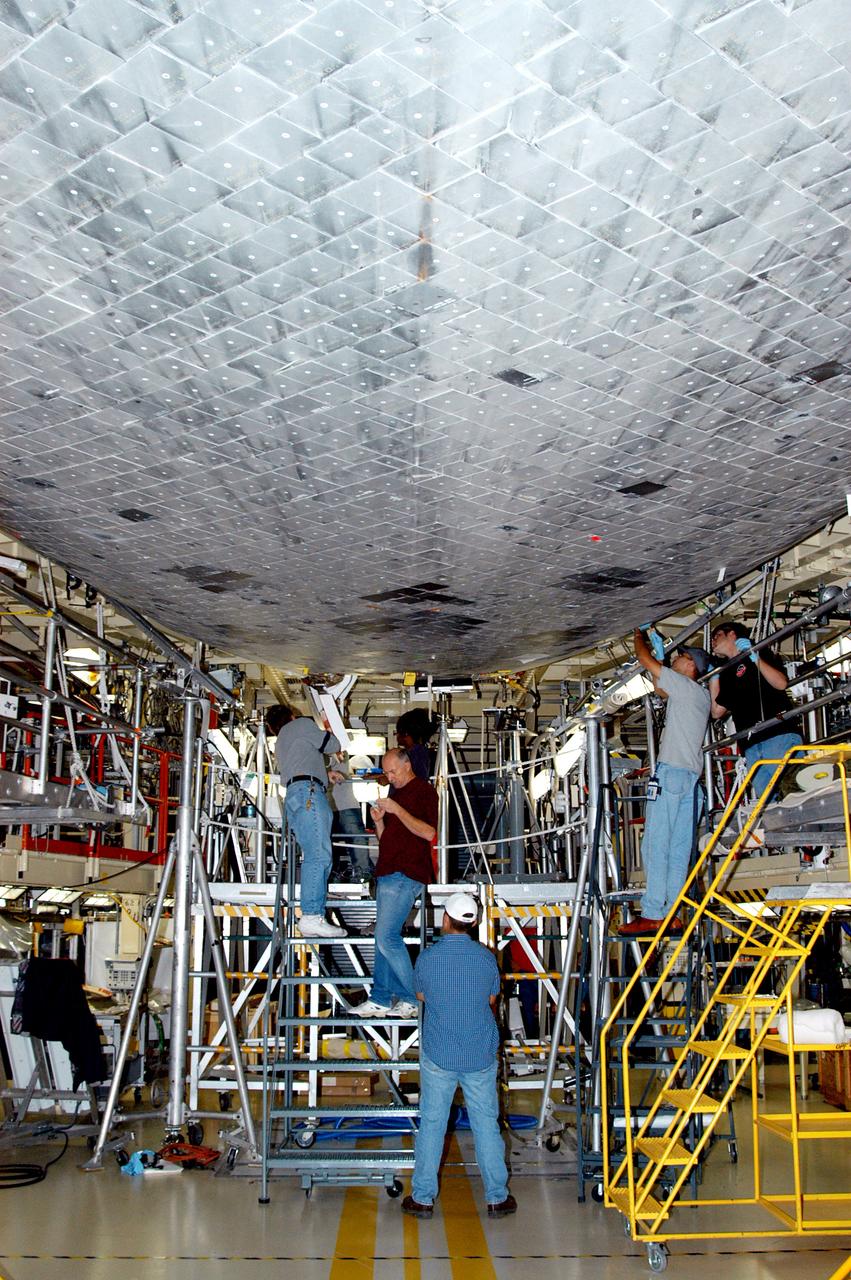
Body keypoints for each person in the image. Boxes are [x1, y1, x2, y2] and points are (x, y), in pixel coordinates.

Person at [401, 891, 516, 1221]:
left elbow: (420, 995)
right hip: (479, 1054)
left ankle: (422, 1198)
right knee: (486, 1126)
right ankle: (497, 1197)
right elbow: (493, 998)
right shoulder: (486, 959)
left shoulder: (428, 958)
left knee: (433, 1125)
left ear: (445, 920)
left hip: (439, 1054)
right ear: (475, 923)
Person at [619, 631, 712, 938]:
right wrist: (660, 661)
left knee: (656, 845)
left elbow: (644, 661)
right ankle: (671, 913)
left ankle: (653, 913)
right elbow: (661, 690)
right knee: (678, 849)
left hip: (671, 775)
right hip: (690, 781)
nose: (677, 658)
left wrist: (639, 638)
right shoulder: (697, 695)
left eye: (682, 657)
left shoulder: (685, 687)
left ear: (691, 667)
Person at [350, 748, 437, 1018]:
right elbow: (388, 839)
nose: (389, 777)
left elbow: (429, 832)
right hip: (389, 870)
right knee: (382, 939)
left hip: (406, 872)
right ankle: (381, 997)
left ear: (407, 765)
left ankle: (413, 996)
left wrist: (397, 810)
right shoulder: (395, 793)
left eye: (392, 771)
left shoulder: (424, 791)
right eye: (386, 772)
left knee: (385, 937)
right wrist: (379, 823)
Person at [265, 704, 347, 940]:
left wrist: (324, 774)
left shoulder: (281, 740)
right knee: (319, 856)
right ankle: (311, 915)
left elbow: (301, 764)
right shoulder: (300, 724)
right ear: (292, 716)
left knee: (314, 853)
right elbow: (332, 745)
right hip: (309, 793)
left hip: (295, 796)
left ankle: (314, 911)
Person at [710, 621, 802, 800]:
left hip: (778, 734)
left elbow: (781, 683)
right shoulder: (728, 673)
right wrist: (714, 677)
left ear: (732, 635)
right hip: (751, 744)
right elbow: (716, 712)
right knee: (768, 803)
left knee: (795, 794)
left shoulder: (761, 652)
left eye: (717, 636)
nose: (713, 641)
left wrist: (755, 657)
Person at [329, 753, 372, 882]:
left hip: (342, 804)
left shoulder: (337, 746)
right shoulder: (318, 743)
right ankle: (360, 881)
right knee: (329, 851)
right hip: (334, 804)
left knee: (359, 848)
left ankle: (363, 882)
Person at [396, 709, 436, 781]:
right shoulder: (420, 752)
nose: (398, 736)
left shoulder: (418, 754)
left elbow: (417, 780)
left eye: (400, 732)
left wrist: (390, 779)